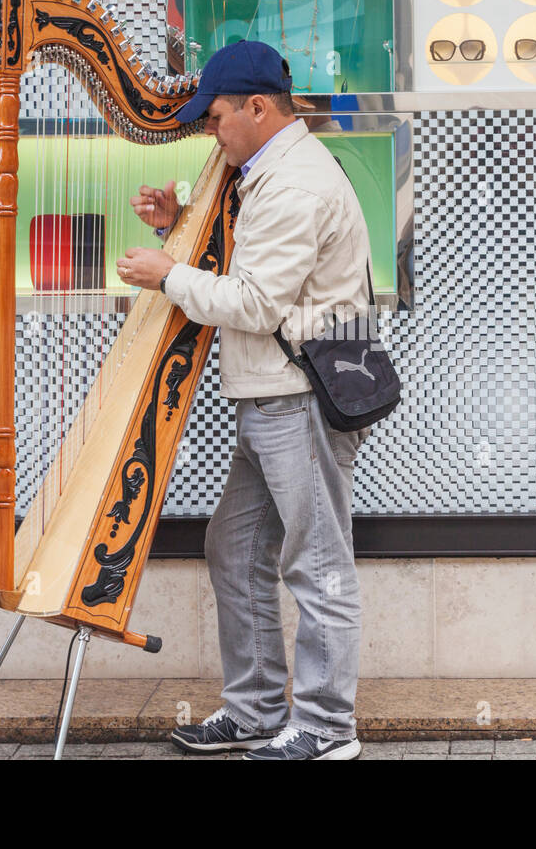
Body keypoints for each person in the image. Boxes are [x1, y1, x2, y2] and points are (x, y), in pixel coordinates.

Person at [115, 39, 373, 760]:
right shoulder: (266, 169)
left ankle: (327, 731)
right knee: (234, 546)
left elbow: (257, 303)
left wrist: (167, 273)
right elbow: (255, 266)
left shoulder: (293, 184)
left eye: (218, 116)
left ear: (258, 108)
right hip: (271, 396)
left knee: (317, 563)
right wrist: (177, 228)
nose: (209, 130)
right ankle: (258, 708)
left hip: (298, 398)